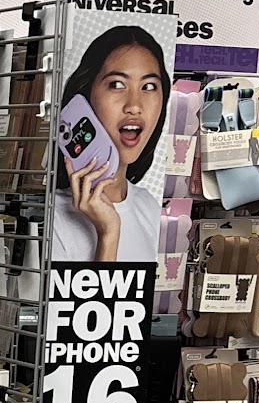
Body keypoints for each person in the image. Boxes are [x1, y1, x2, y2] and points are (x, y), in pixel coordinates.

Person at [51, 24, 171, 263]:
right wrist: (108, 233)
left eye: (149, 87)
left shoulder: (150, 207)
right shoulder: (51, 218)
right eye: (116, 84)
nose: (134, 105)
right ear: (85, 96)